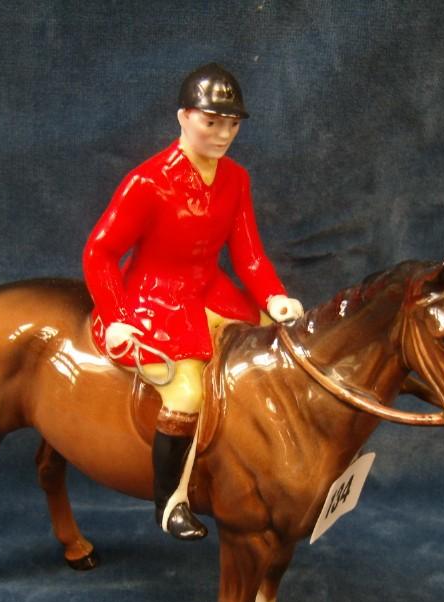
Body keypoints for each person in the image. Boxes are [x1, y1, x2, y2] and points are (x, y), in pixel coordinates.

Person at [83, 63, 303, 541]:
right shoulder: (146, 182)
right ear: (184, 117)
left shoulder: (236, 179)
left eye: (232, 124)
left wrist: (274, 295)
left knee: (273, 342)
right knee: (186, 392)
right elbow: (100, 251)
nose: (224, 134)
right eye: (212, 122)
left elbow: (248, 253)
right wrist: (117, 317)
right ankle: (172, 501)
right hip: (154, 300)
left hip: (210, 290)